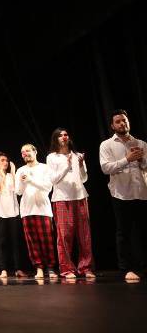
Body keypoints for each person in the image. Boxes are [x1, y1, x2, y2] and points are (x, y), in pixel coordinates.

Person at [99, 109, 147, 282]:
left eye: (124, 120)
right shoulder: (107, 145)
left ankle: (143, 267)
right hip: (121, 193)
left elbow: (146, 167)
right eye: (118, 121)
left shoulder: (141, 143)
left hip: (141, 192)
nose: (122, 123)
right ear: (112, 125)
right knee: (124, 233)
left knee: (143, 232)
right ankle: (125, 268)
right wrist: (127, 159)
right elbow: (106, 168)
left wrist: (141, 160)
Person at [47, 128, 95, 280]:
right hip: (62, 199)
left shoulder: (77, 155)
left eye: (66, 134)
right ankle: (67, 269)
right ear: (56, 139)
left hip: (80, 196)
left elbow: (84, 178)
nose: (64, 137)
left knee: (84, 235)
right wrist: (66, 166)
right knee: (64, 236)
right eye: (60, 135)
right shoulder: (52, 157)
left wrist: (80, 165)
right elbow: (54, 180)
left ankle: (85, 268)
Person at [16, 143, 56, 280]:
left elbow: (47, 188)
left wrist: (30, 180)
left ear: (35, 151)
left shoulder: (45, 168)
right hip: (27, 210)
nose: (25, 154)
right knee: (32, 241)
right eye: (22, 152)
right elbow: (19, 191)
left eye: (27, 151)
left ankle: (50, 268)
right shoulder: (20, 170)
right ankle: (39, 267)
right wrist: (22, 181)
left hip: (43, 209)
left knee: (47, 240)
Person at [0, 152, 28, 278]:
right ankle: (3, 269)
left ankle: (18, 269)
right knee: (2, 242)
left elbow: (18, 191)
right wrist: (2, 176)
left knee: (16, 242)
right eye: (2, 160)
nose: (5, 162)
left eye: (6, 160)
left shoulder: (12, 176)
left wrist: (14, 172)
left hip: (13, 212)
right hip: (0, 213)